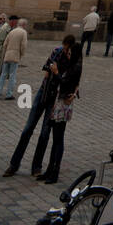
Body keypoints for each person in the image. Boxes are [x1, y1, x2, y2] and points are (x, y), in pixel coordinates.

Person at [4, 35, 77, 177]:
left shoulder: (74, 61)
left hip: (56, 99)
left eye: (68, 50)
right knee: (28, 129)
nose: (66, 52)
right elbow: (46, 71)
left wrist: (67, 84)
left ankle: (36, 167)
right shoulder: (57, 51)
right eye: (65, 49)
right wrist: (55, 76)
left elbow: (73, 79)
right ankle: (14, 164)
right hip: (44, 94)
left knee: (44, 133)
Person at [38, 43, 83, 184]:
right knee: (56, 139)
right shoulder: (73, 65)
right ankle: (50, 169)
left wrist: (56, 72)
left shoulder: (75, 67)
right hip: (60, 102)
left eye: (70, 53)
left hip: (63, 104)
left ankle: (54, 172)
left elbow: (64, 82)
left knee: (58, 139)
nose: (68, 55)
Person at [0, 17, 27, 99]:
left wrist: (5, 54)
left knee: (3, 75)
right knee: (12, 76)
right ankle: (9, 94)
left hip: (7, 55)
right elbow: (23, 46)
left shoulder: (12, 31)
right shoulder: (23, 32)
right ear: (23, 25)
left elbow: (5, 44)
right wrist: (21, 54)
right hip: (15, 55)